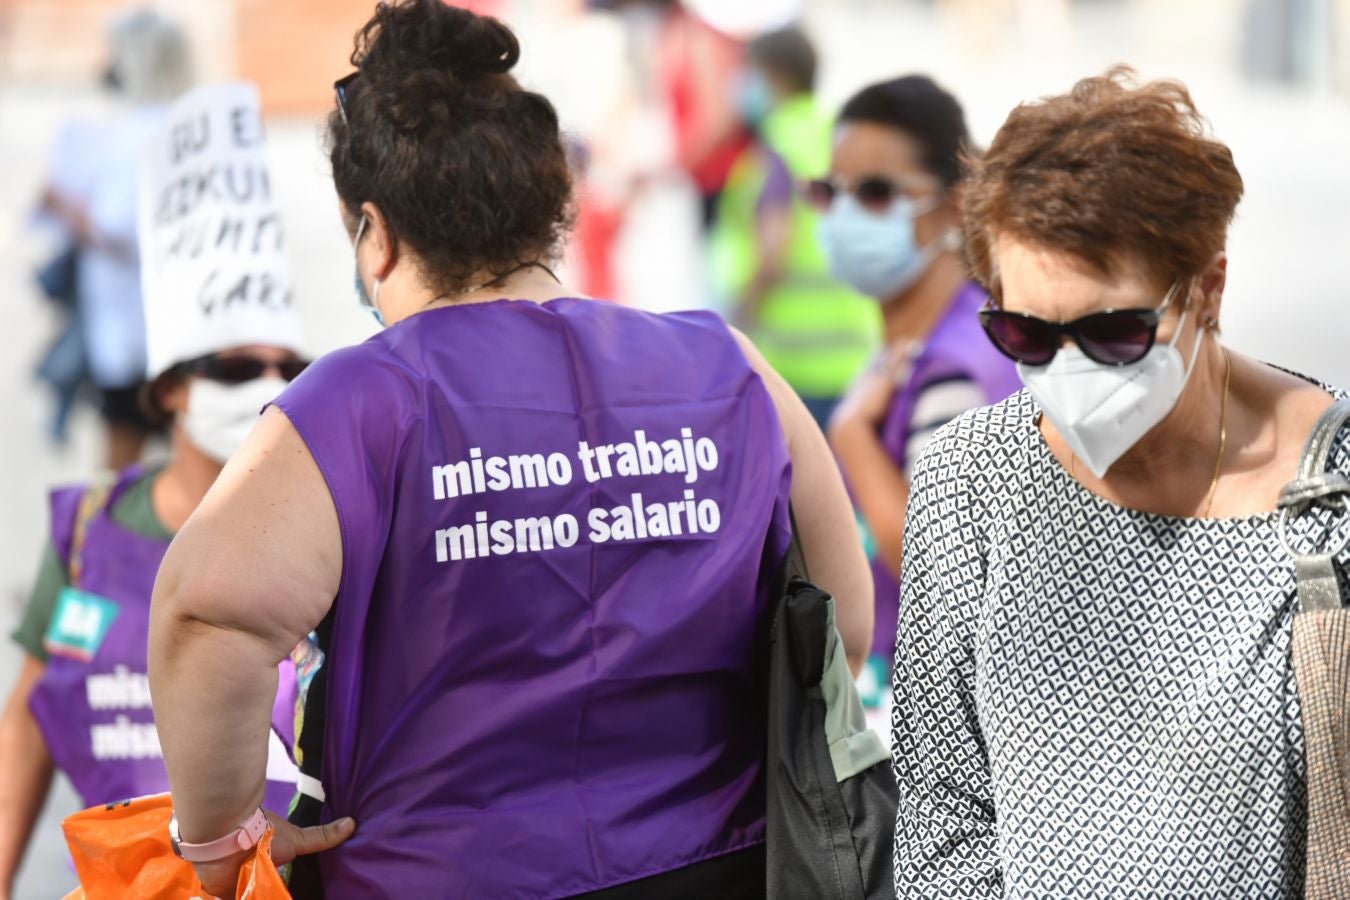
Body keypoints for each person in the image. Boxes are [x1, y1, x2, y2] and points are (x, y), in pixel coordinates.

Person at [146, 3, 872, 898]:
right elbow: (843, 618)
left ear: (377, 236)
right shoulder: (726, 365)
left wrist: (219, 841)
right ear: (547, 206)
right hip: (716, 862)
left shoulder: (355, 403)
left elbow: (206, 616)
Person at [891, 67, 1347, 896]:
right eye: (1026, 332)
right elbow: (944, 817)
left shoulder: (1331, 500)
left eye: (1114, 333)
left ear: (1207, 289)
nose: (1069, 371)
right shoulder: (971, 481)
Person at [0, 81, 307, 899]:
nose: (270, 384)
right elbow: (27, 723)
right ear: (172, 389)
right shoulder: (87, 529)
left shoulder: (322, 523)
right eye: (238, 369)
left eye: (289, 367)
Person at [818, 76, 1020, 711]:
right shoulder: (929, 340)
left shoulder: (953, 371)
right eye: (830, 192)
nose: (846, 215)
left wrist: (850, 437)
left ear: (953, 204)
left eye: (875, 192)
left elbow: (938, 563)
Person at [35, 8, 192, 469]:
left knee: (119, 476)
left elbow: (115, 226)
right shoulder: (178, 126)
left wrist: (60, 203)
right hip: (161, 332)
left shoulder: (138, 133)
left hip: (133, 338)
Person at [708, 26, 880, 429]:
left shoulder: (779, 147)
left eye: (747, 72)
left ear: (774, 76)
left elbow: (773, 247)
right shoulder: (836, 135)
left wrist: (738, 314)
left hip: (792, 361)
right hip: (851, 353)